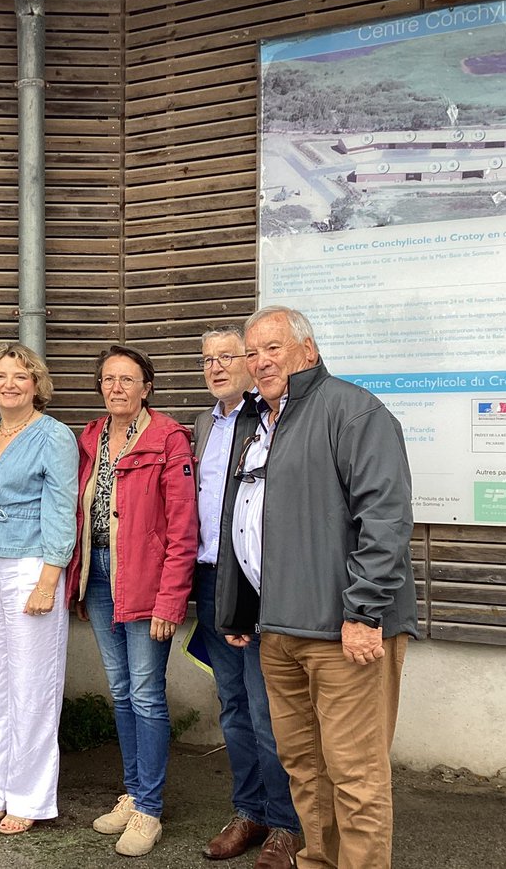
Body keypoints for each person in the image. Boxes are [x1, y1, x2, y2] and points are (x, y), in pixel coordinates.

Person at [226, 305, 417, 869]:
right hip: (278, 630)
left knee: (355, 776)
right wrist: (239, 608)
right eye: (252, 352)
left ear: (307, 351)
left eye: (273, 348)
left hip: (342, 631)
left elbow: (385, 520)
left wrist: (363, 612)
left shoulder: (353, 411)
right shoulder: (259, 421)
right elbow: (247, 520)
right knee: (305, 770)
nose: (259, 362)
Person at [65, 344, 197, 858]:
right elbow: (82, 512)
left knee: (145, 693)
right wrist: (77, 576)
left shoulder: (168, 438)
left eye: (127, 379)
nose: (116, 387)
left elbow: (184, 527)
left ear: (147, 387)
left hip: (145, 581)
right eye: (108, 379)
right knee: (120, 691)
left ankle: (150, 809)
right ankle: (133, 790)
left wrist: (171, 600)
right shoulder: (92, 436)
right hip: (99, 576)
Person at [192, 326, 301, 869]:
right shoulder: (203, 423)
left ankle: (286, 823)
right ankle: (249, 811)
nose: (216, 367)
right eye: (207, 359)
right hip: (211, 579)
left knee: (267, 708)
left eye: (227, 357)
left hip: (254, 581)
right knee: (232, 707)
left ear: (250, 362)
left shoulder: (268, 419)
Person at [0, 343, 78, 835]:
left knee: (33, 684)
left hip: (32, 564)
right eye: (1, 376)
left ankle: (30, 797)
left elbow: (60, 509)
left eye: (20, 376)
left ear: (37, 384)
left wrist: (49, 579)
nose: (9, 384)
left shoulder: (55, 436)